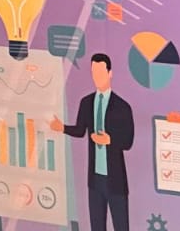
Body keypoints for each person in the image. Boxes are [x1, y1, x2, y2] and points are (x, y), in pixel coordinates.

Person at [49, 53, 134, 231]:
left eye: (101, 72)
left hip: (116, 181)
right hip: (95, 181)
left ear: (110, 73)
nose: (97, 77)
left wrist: (109, 140)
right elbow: (80, 130)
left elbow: (128, 141)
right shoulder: (86, 102)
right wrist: (62, 127)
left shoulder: (122, 106)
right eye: (94, 72)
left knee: (121, 226)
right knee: (97, 226)